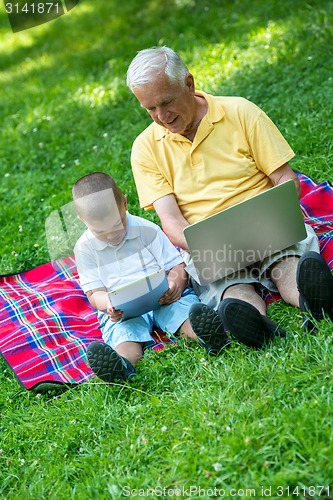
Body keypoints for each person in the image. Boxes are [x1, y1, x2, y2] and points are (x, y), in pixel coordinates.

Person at [126, 46, 333, 347]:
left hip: (266, 223)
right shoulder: (145, 148)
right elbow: (170, 221)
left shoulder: (240, 112)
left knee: (288, 264)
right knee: (232, 290)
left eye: (166, 102)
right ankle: (253, 325)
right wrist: (204, 243)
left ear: (189, 83)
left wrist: (279, 212)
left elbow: (284, 178)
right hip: (209, 243)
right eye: (150, 109)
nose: (161, 116)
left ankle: (314, 302)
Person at [72, 172, 230, 384]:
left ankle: (209, 336)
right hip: (122, 310)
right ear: (83, 220)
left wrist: (176, 283)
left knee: (183, 313)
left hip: (163, 297)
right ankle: (122, 366)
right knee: (125, 335)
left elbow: (176, 265)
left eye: (117, 224)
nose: (111, 235)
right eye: (101, 231)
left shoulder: (147, 230)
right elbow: (94, 293)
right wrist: (108, 303)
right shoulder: (84, 248)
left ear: (125, 204)